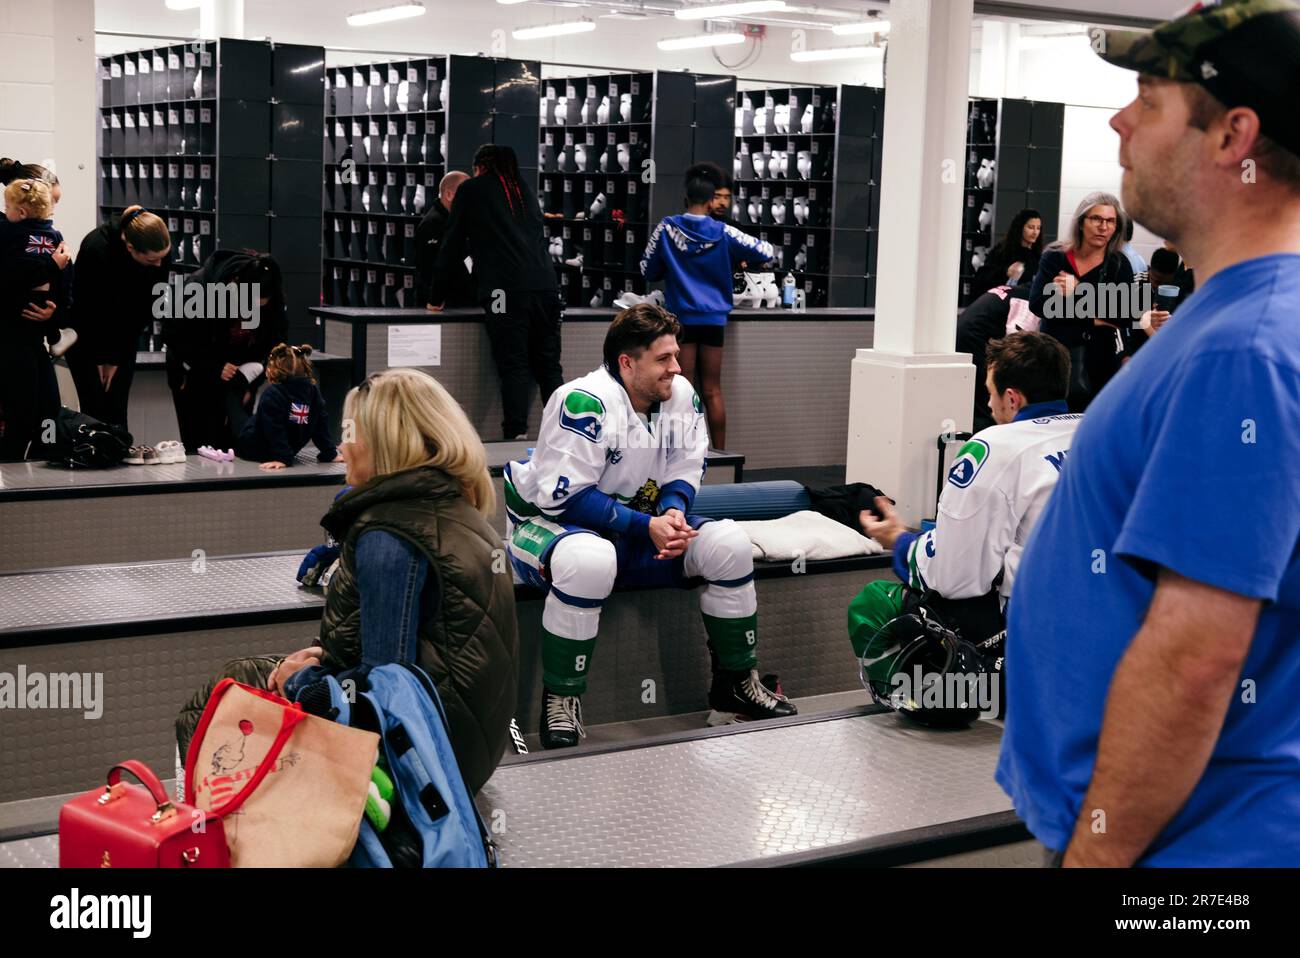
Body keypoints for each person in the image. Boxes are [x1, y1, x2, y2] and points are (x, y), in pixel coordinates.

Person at [1000, 0, 1300, 867]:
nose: (1118, 121)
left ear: (1232, 136)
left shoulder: (1244, 351)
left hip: (1190, 853)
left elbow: (1196, 658)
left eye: (1150, 101)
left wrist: (1097, 858)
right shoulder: (1227, 322)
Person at [177, 367, 519, 793]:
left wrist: (299, 681)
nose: (341, 446)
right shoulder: (456, 509)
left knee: (219, 697)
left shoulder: (389, 536)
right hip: (467, 751)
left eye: (350, 433)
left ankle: (217, 840)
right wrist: (324, 654)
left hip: (423, 768)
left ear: (384, 444)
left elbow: (382, 692)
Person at [504, 304, 796, 749]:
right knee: (589, 559)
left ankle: (735, 684)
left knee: (731, 544)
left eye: (675, 356)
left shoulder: (677, 393)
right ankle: (562, 700)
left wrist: (674, 512)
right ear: (627, 362)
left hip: (637, 527)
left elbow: (686, 464)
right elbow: (569, 498)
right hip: (548, 525)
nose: (676, 368)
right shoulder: (582, 401)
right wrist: (648, 526)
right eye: (663, 359)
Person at [852, 332, 1080, 651]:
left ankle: (945, 701)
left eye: (990, 393)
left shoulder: (994, 447)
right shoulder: (1099, 431)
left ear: (1012, 399)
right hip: (1114, 610)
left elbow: (953, 575)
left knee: (872, 604)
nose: (988, 403)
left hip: (1034, 625)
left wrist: (899, 540)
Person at [640, 162, 774, 452]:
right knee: (712, 390)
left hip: (681, 320)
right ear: (711, 199)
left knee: (682, 388)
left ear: (686, 197)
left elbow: (646, 269)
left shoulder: (667, 228)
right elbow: (766, 251)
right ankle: (720, 454)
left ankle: (684, 454)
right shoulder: (724, 232)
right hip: (714, 321)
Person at [432, 144, 562, 440]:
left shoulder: (472, 190)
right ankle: (566, 431)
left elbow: (452, 244)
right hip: (546, 288)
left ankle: (515, 432)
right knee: (548, 365)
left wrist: (435, 296)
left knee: (513, 361)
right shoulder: (523, 190)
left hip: (504, 293)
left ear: (479, 167)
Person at [164, 249, 288, 453]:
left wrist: (252, 382)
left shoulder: (270, 294)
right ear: (236, 283)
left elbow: (274, 344)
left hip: (240, 378)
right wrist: (213, 366)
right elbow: (174, 335)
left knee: (238, 445)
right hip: (195, 374)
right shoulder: (199, 287)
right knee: (202, 449)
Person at [1027, 192, 1135, 411]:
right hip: (1054, 358)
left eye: (1110, 221)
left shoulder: (1119, 264)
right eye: (1096, 219)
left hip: (1100, 363)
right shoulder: (1055, 256)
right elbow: (1038, 304)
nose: (1103, 227)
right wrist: (1098, 317)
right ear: (1081, 222)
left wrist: (1078, 290)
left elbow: (1127, 315)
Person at [67, 205, 171, 431]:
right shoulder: (96, 247)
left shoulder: (158, 248)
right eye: (152, 260)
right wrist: (99, 358)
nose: (159, 265)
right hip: (86, 337)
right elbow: (87, 310)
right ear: (130, 247)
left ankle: (118, 456)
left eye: (162, 258)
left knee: (116, 409)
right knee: (94, 407)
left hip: (124, 337)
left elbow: (145, 308)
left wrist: (115, 358)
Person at [0, 161, 71, 461]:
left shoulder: (53, 238)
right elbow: (8, 279)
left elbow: (66, 287)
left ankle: (46, 454)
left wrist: (52, 313)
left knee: (49, 408)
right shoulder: (5, 233)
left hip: (34, 338)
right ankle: (14, 465)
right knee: (22, 410)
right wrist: (51, 267)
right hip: (9, 337)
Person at [234, 343, 338, 469]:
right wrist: (330, 453)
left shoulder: (272, 394)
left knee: (235, 411)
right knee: (248, 419)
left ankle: (236, 385)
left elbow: (274, 429)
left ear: (274, 369)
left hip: (255, 448)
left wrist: (282, 458)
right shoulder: (312, 391)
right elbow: (320, 424)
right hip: (285, 447)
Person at [956, 283, 1033, 432]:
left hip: (965, 341)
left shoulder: (1013, 291)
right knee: (991, 399)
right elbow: (1018, 348)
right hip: (976, 343)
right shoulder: (1027, 302)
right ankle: (992, 436)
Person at [416, 170, 472, 310]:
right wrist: (435, 299)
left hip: (458, 301)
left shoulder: (455, 222)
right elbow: (432, 268)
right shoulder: (434, 224)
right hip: (441, 305)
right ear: (449, 194)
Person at [973, 208, 1043, 293]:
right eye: (1031, 227)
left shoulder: (1037, 256)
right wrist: (1006, 272)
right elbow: (981, 277)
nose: (1035, 232)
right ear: (1020, 227)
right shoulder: (1002, 251)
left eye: (1038, 228)